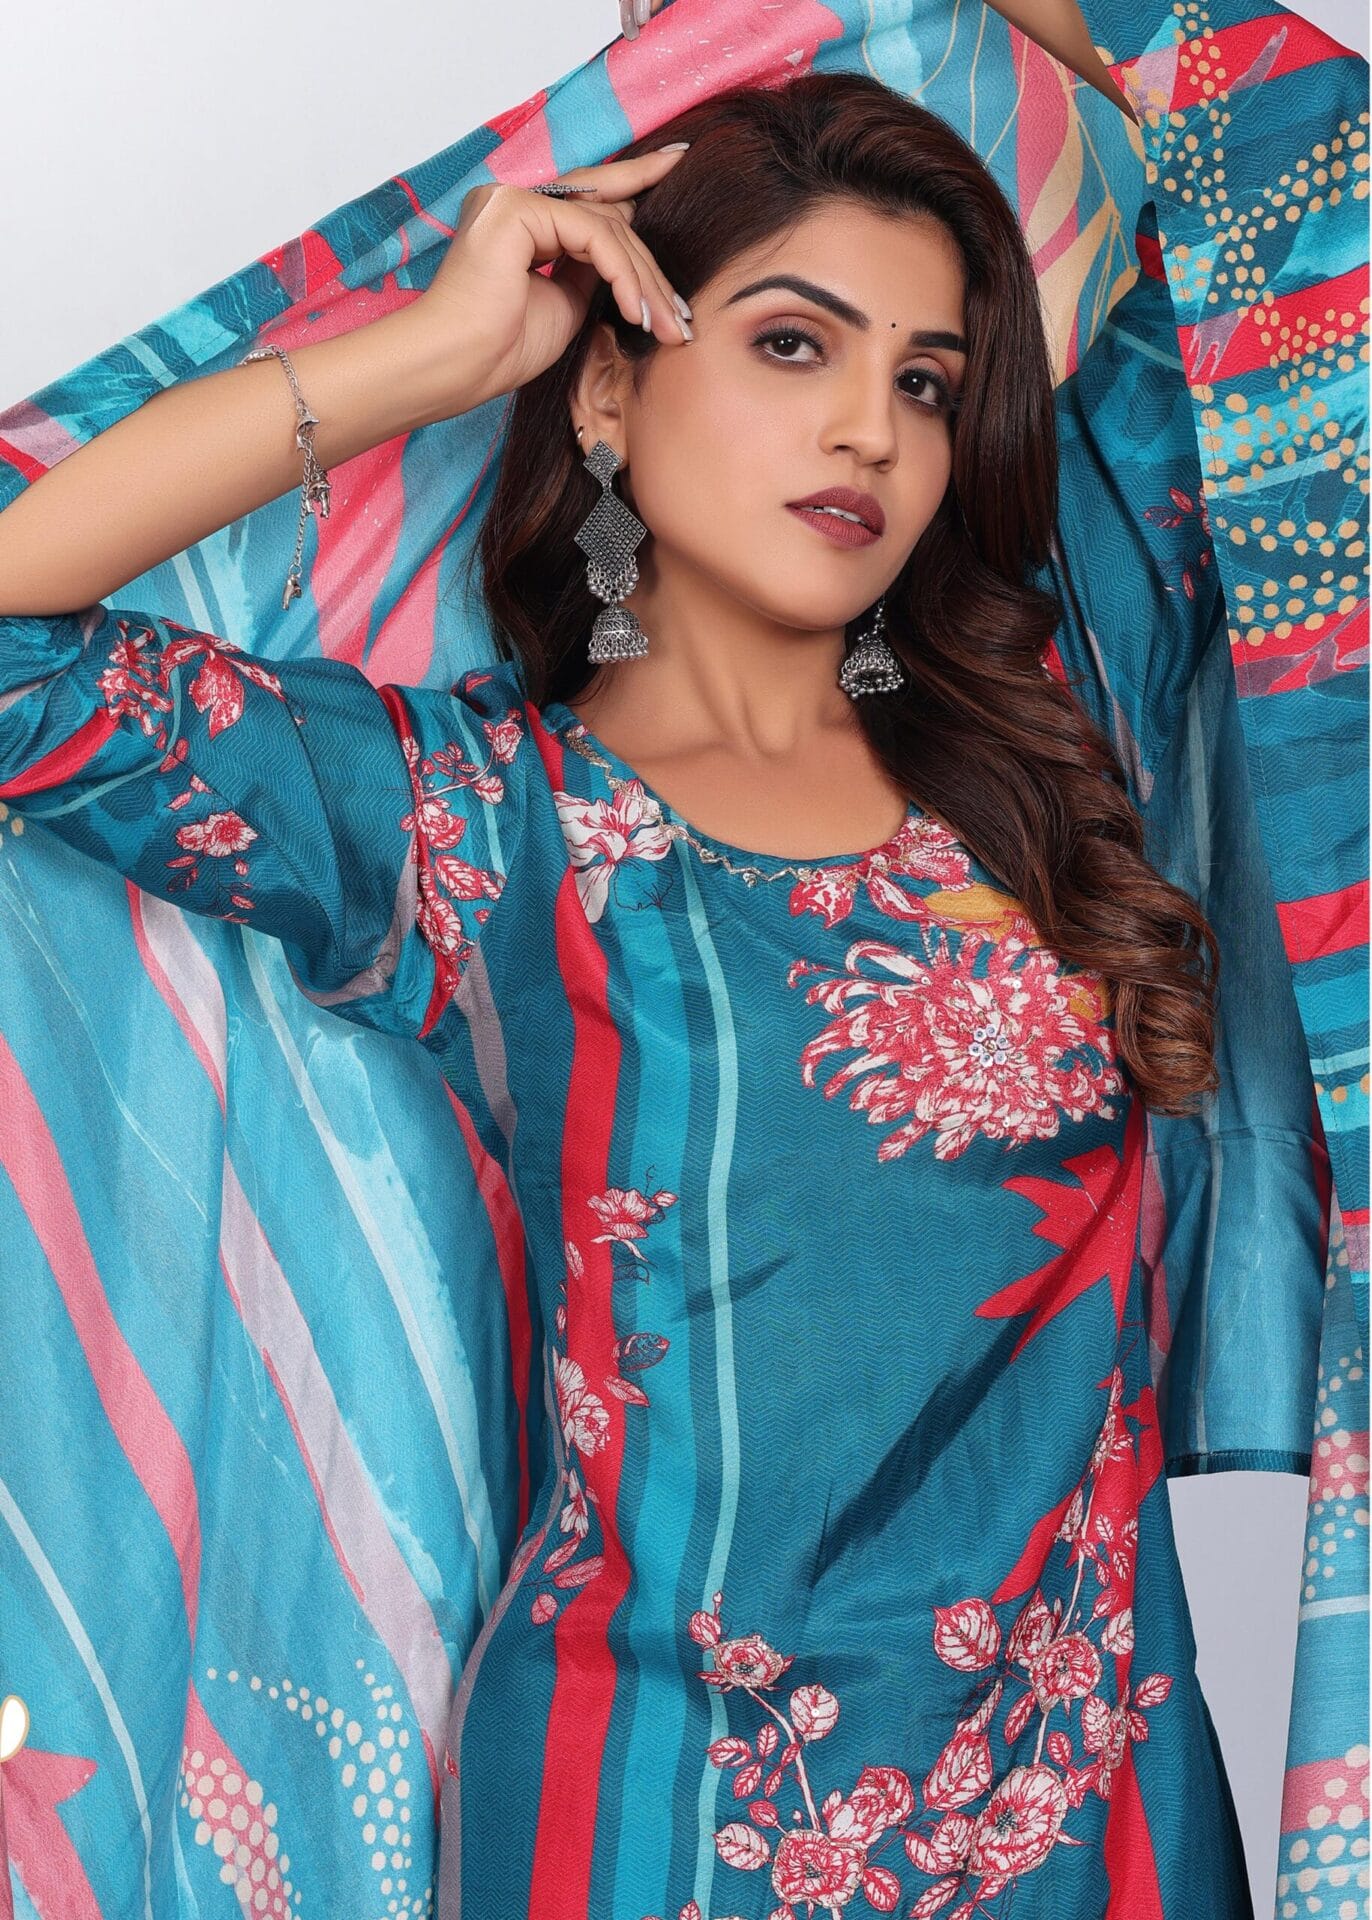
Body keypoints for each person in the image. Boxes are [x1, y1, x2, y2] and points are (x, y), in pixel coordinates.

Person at [0, 4, 1363, 1918]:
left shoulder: (1068, 734)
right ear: (607, 389)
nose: (867, 427)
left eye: (925, 380)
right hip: (650, 1827)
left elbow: (1305, 201)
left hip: (1103, 1831)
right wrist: (427, 355)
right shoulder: (482, 826)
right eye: (794, 343)